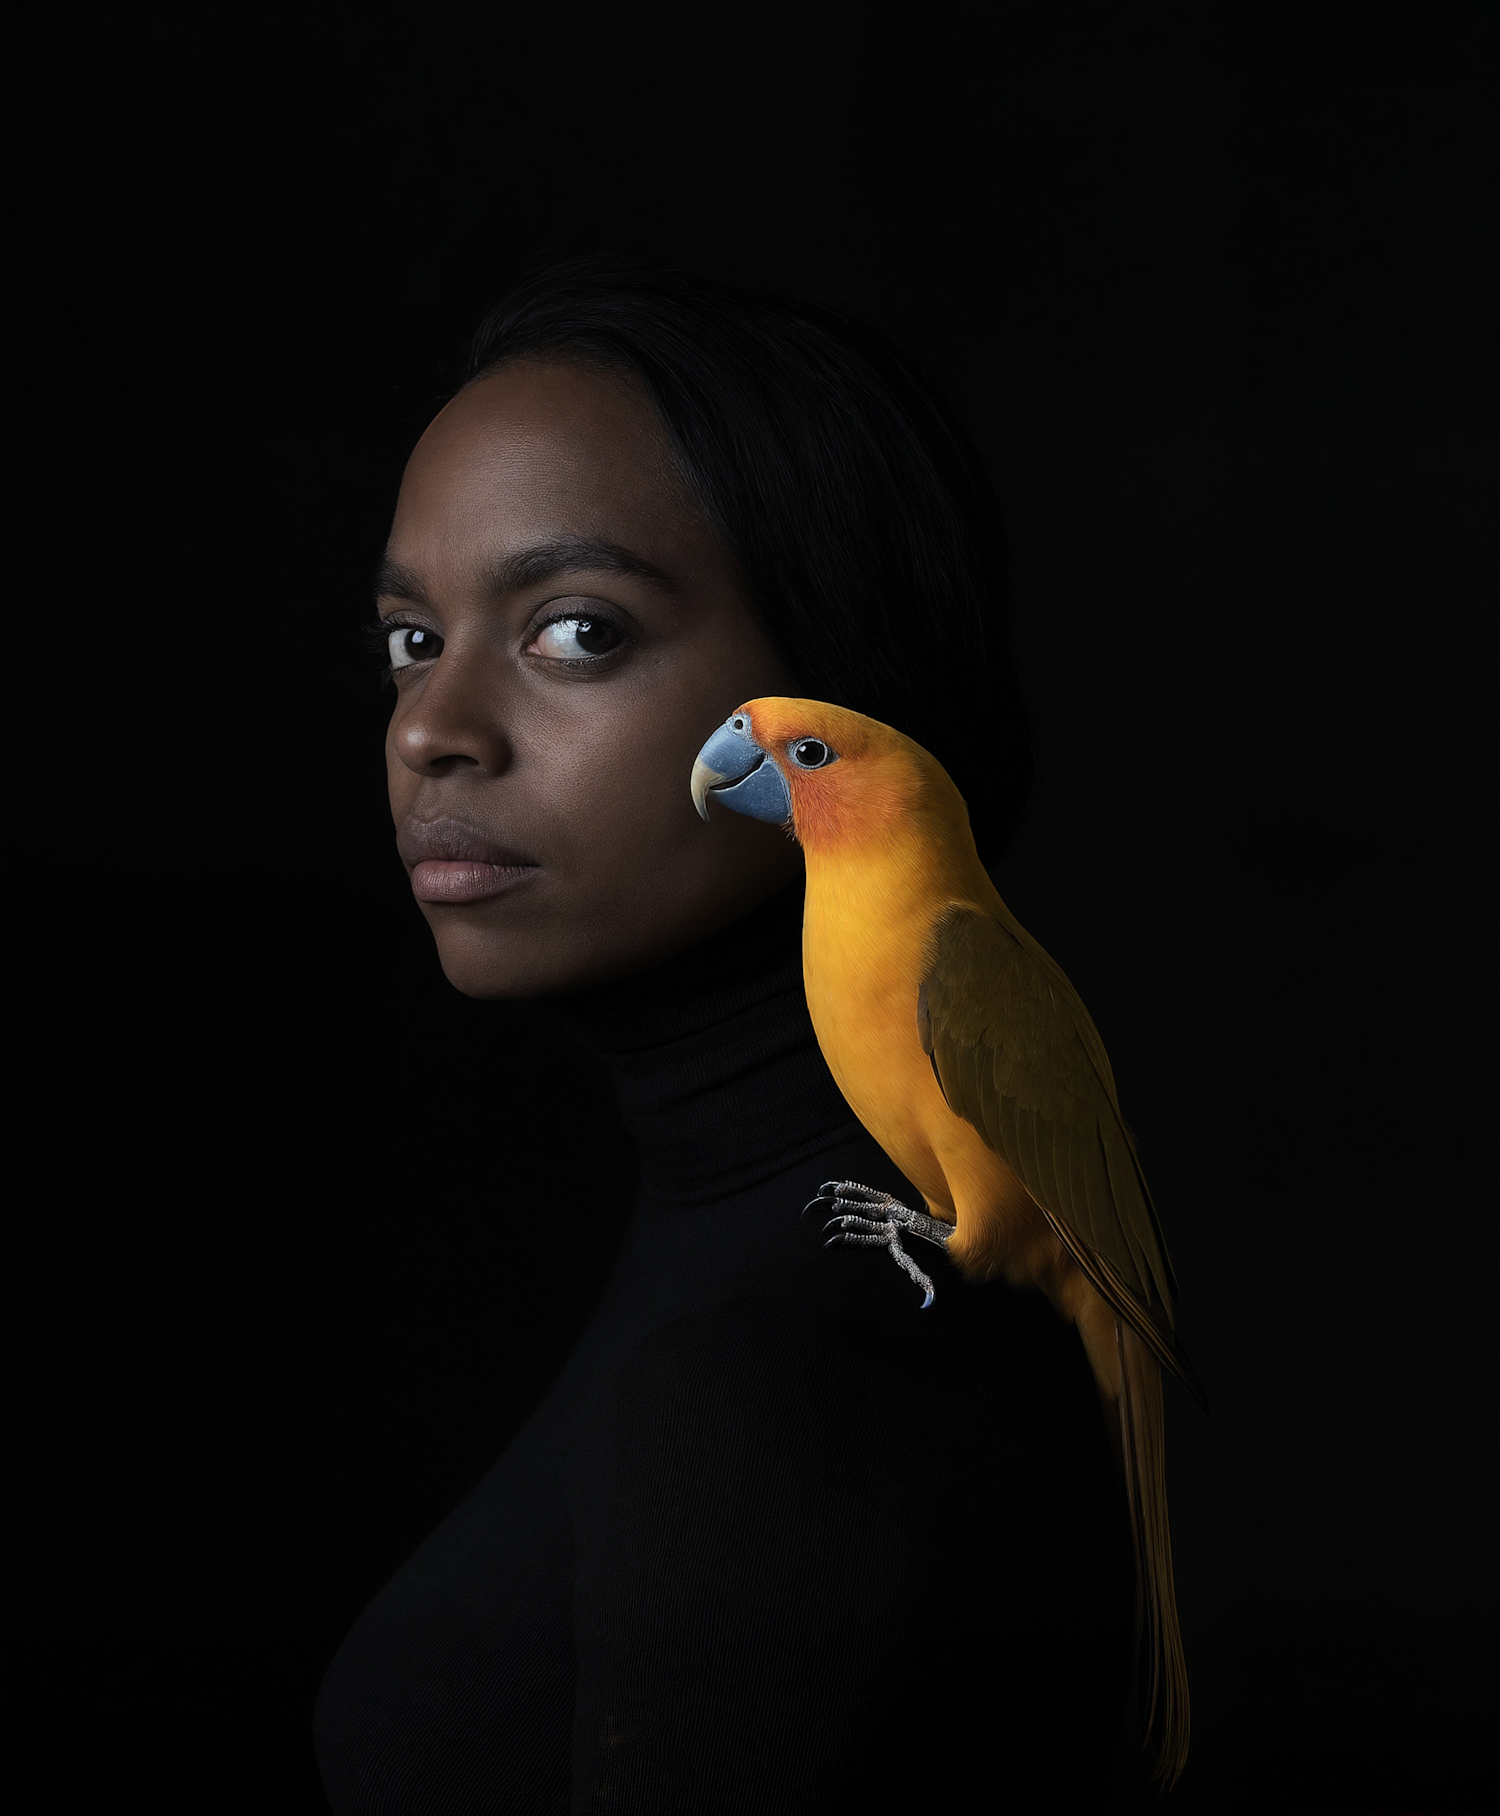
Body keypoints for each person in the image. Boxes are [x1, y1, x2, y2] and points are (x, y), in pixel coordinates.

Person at [313, 260, 1136, 1813]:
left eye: (575, 632)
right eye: (410, 641)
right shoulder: (780, 1268)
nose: (431, 729)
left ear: (853, 688)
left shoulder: (778, 1390)